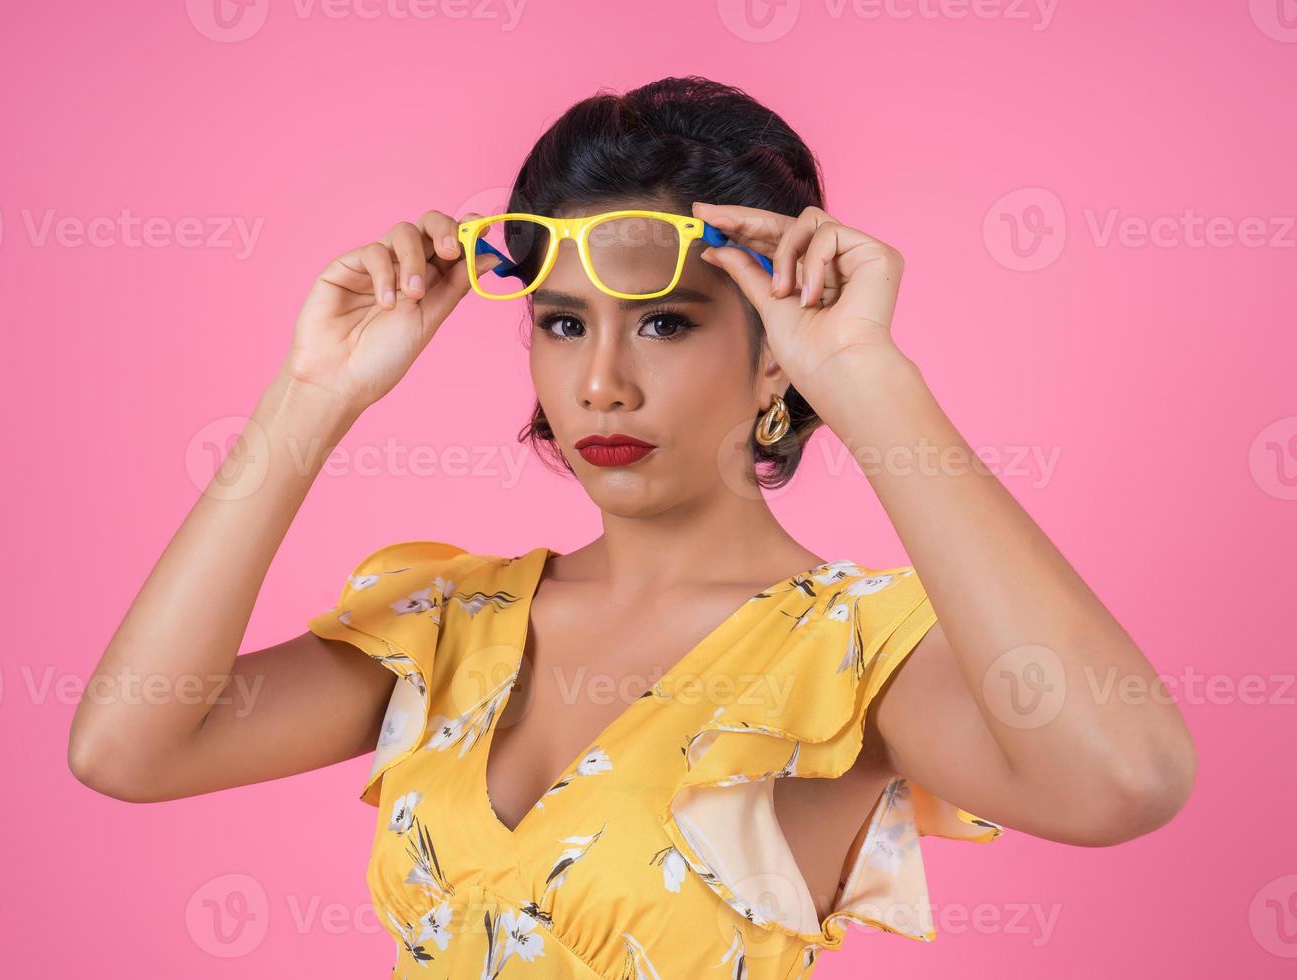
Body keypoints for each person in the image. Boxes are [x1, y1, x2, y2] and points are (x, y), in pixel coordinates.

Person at [68, 76, 1197, 977]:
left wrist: (866, 374)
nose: (601, 381)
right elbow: (129, 747)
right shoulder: (453, 619)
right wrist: (313, 392)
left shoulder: (854, 654)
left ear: (771, 354)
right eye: (564, 323)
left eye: (663, 321)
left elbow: (1125, 780)